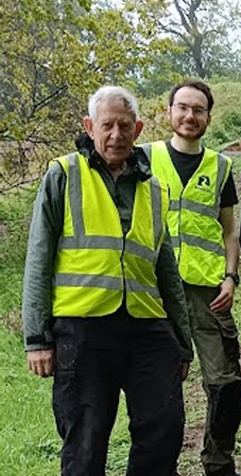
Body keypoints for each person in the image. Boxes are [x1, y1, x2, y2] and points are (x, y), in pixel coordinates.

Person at [22, 85, 193, 475]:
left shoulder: (154, 188)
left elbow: (166, 271)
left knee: (164, 428)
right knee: (86, 440)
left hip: (148, 329)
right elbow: (38, 258)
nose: (116, 135)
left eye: (125, 126)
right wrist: (37, 339)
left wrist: (182, 344)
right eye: (107, 125)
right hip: (83, 330)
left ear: (140, 128)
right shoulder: (63, 173)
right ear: (89, 126)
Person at [137, 79, 241, 476]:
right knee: (159, 387)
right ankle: (159, 465)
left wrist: (231, 277)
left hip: (207, 292)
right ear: (168, 113)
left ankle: (218, 463)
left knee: (226, 385)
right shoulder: (143, 158)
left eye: (198, 109)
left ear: (208, 117)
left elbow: (229, 229)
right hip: (154, 292)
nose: (189, 116)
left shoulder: (221, 166)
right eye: (182, 107)